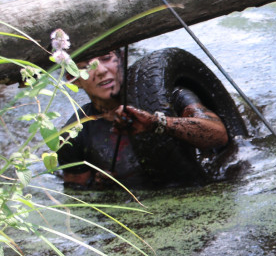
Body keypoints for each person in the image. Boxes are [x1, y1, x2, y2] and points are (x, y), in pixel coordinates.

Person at [57, 49, 229, 189]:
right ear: (73, 79)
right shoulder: (74, 133)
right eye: (87, 66)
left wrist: (159, 123)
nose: (101, 70)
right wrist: (98, 186)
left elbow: (218, 135)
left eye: (106, 58)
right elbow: (76, 193)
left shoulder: (169, 98)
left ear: (122, 58)